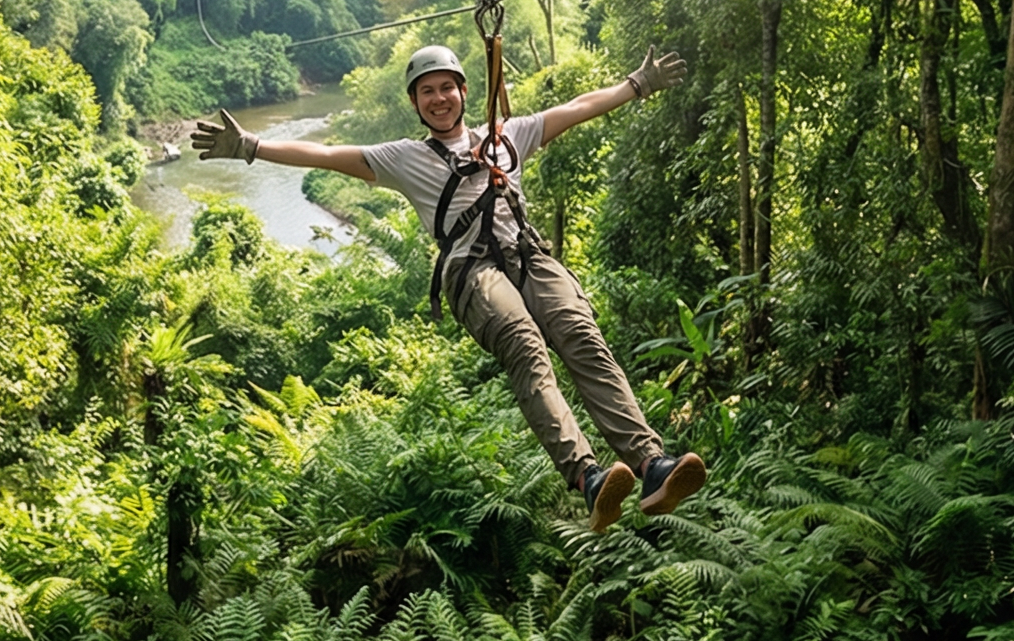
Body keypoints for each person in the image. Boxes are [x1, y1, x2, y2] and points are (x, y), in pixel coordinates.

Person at [189, 43, 705, 532]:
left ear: (463, 91)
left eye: (446, 88)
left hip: (529, 257)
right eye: (427, 91)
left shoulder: (506, 138)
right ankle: (588, 476)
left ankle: (651, 463)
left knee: (581, 335)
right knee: (526, 346)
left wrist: (637, 84)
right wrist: (252, 146)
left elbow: (576, 107)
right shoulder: (404, 159)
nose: (439, 99)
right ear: (416, 103)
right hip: (473, 274)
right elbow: (325, 153)